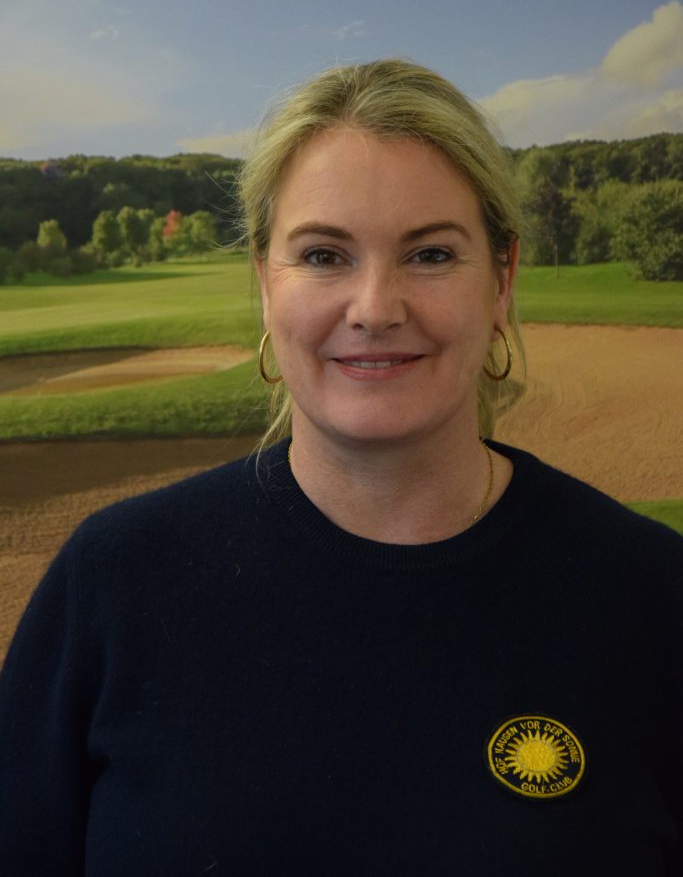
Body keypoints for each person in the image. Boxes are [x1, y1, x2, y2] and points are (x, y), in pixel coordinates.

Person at [0, 60, 681, 875]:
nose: (373, 307)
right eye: (323, 256)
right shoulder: (112, 582)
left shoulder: (651, 594)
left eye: (429, 255)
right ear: (263, 281)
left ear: (502, 279)